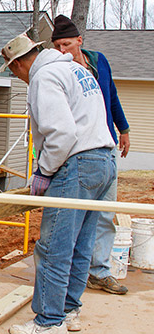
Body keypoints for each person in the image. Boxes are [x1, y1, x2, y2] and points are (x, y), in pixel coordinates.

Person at [0, 33, 116, 334]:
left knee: (53, 247)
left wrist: (45, 171)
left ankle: (48, 322)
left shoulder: (45, 77)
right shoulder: (75, 68)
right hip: (103, 161)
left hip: (76, 164)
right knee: (80, 244)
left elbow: (62, 134)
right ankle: (68, 311)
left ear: (17, 66)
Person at [51, 15, 131, 296]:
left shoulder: (98, 62)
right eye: (58, 45)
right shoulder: (61, 70)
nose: (63, 50)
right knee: (73, 219)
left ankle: (99, 271)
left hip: (104, 146)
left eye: (67, 44)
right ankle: (73, 274)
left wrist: (123, 128)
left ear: (79, 41)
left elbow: (112, 96)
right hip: (77, 153)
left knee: (104, 213)